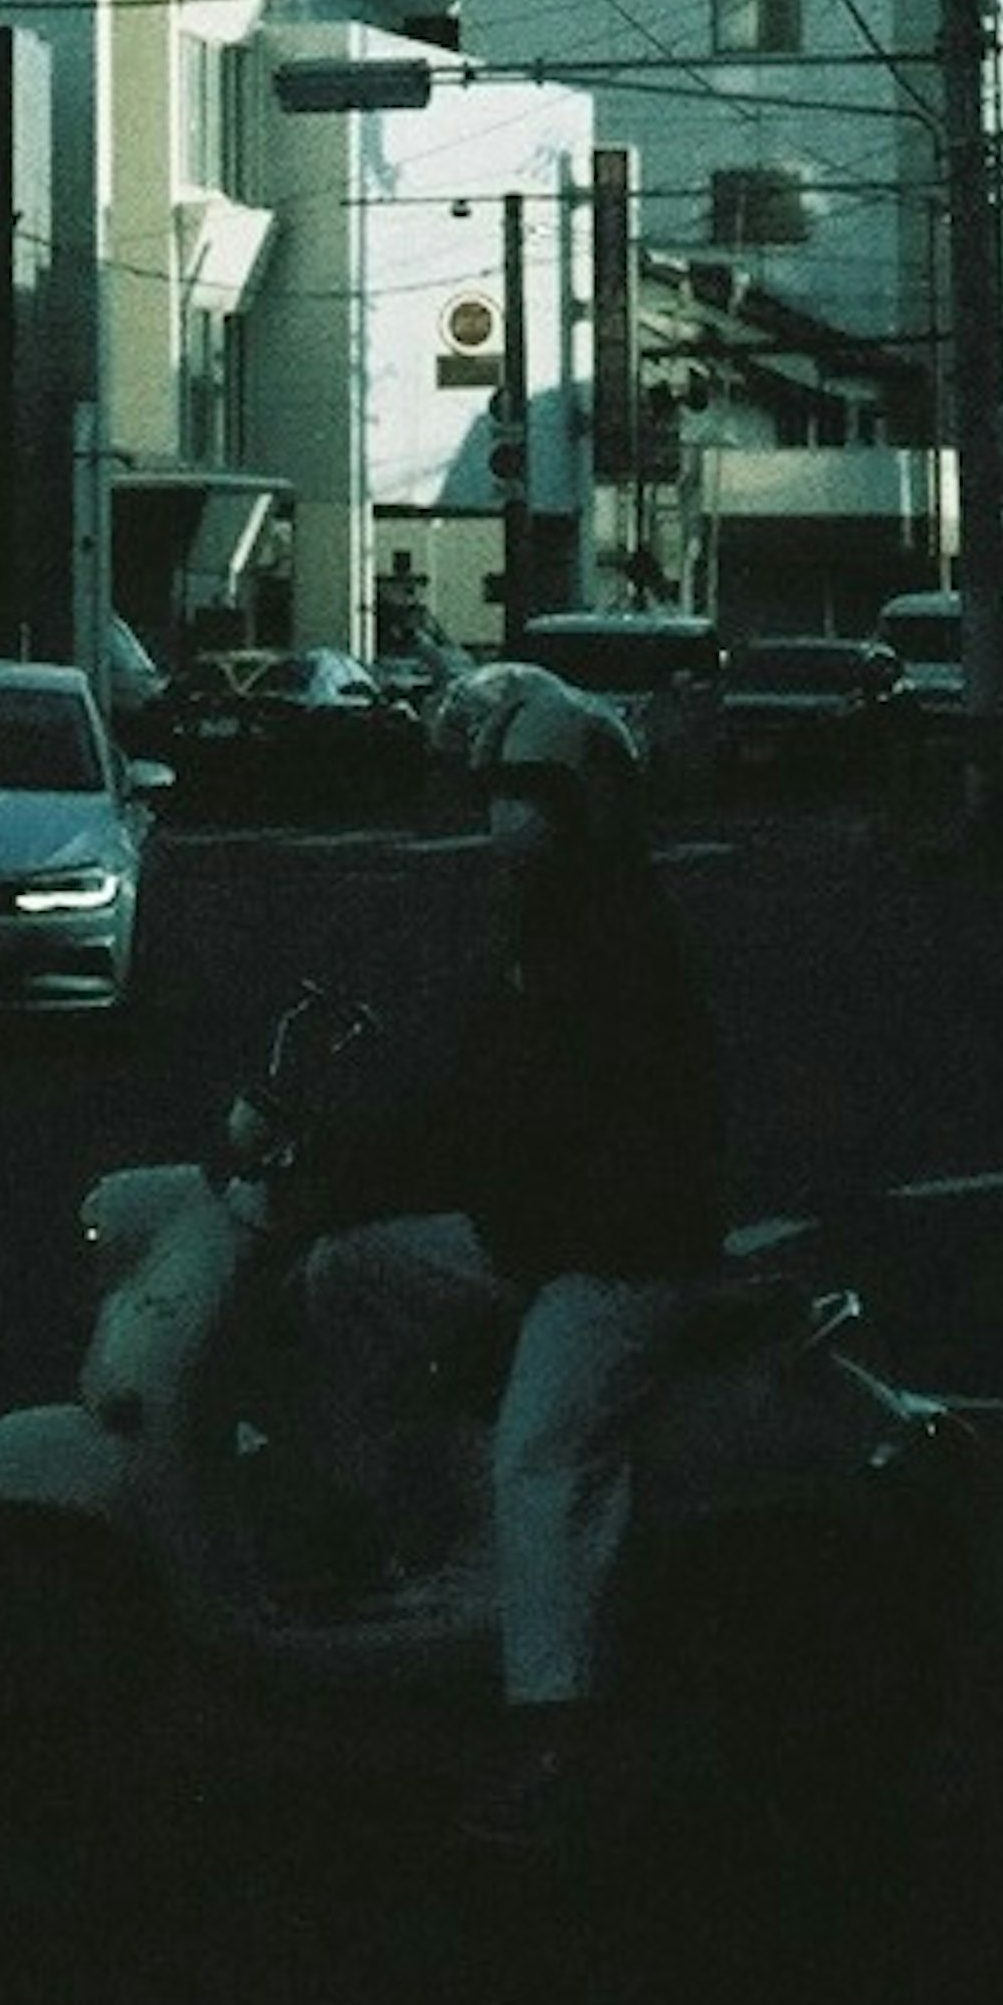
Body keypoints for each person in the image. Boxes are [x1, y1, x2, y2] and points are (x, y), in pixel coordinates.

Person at [297, 678, 726, 1839]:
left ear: (587, 799)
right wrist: (361, 1159)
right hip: (541, 1232)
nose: (508, 816)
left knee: (544, 1453)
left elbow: (525, 1113)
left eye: (532, 793)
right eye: (501, 791)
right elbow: (478, 1098)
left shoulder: (613, 932)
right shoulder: (545, 913)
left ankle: (560, 1732)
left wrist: (398, 1156)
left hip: (620, 1253)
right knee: (348, 1277)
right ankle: (383, 1536)